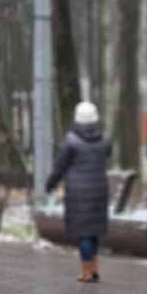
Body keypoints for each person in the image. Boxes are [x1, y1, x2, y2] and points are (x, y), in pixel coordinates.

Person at [45, 102, 113, 282]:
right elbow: (108, 152)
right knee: (94, 231)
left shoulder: (71, 140)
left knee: (83, 232)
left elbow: (60, 166)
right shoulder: (104, 138)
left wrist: (50, 184)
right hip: (99, 190)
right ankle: (94, 268)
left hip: (77, 191)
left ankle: (85, 271)